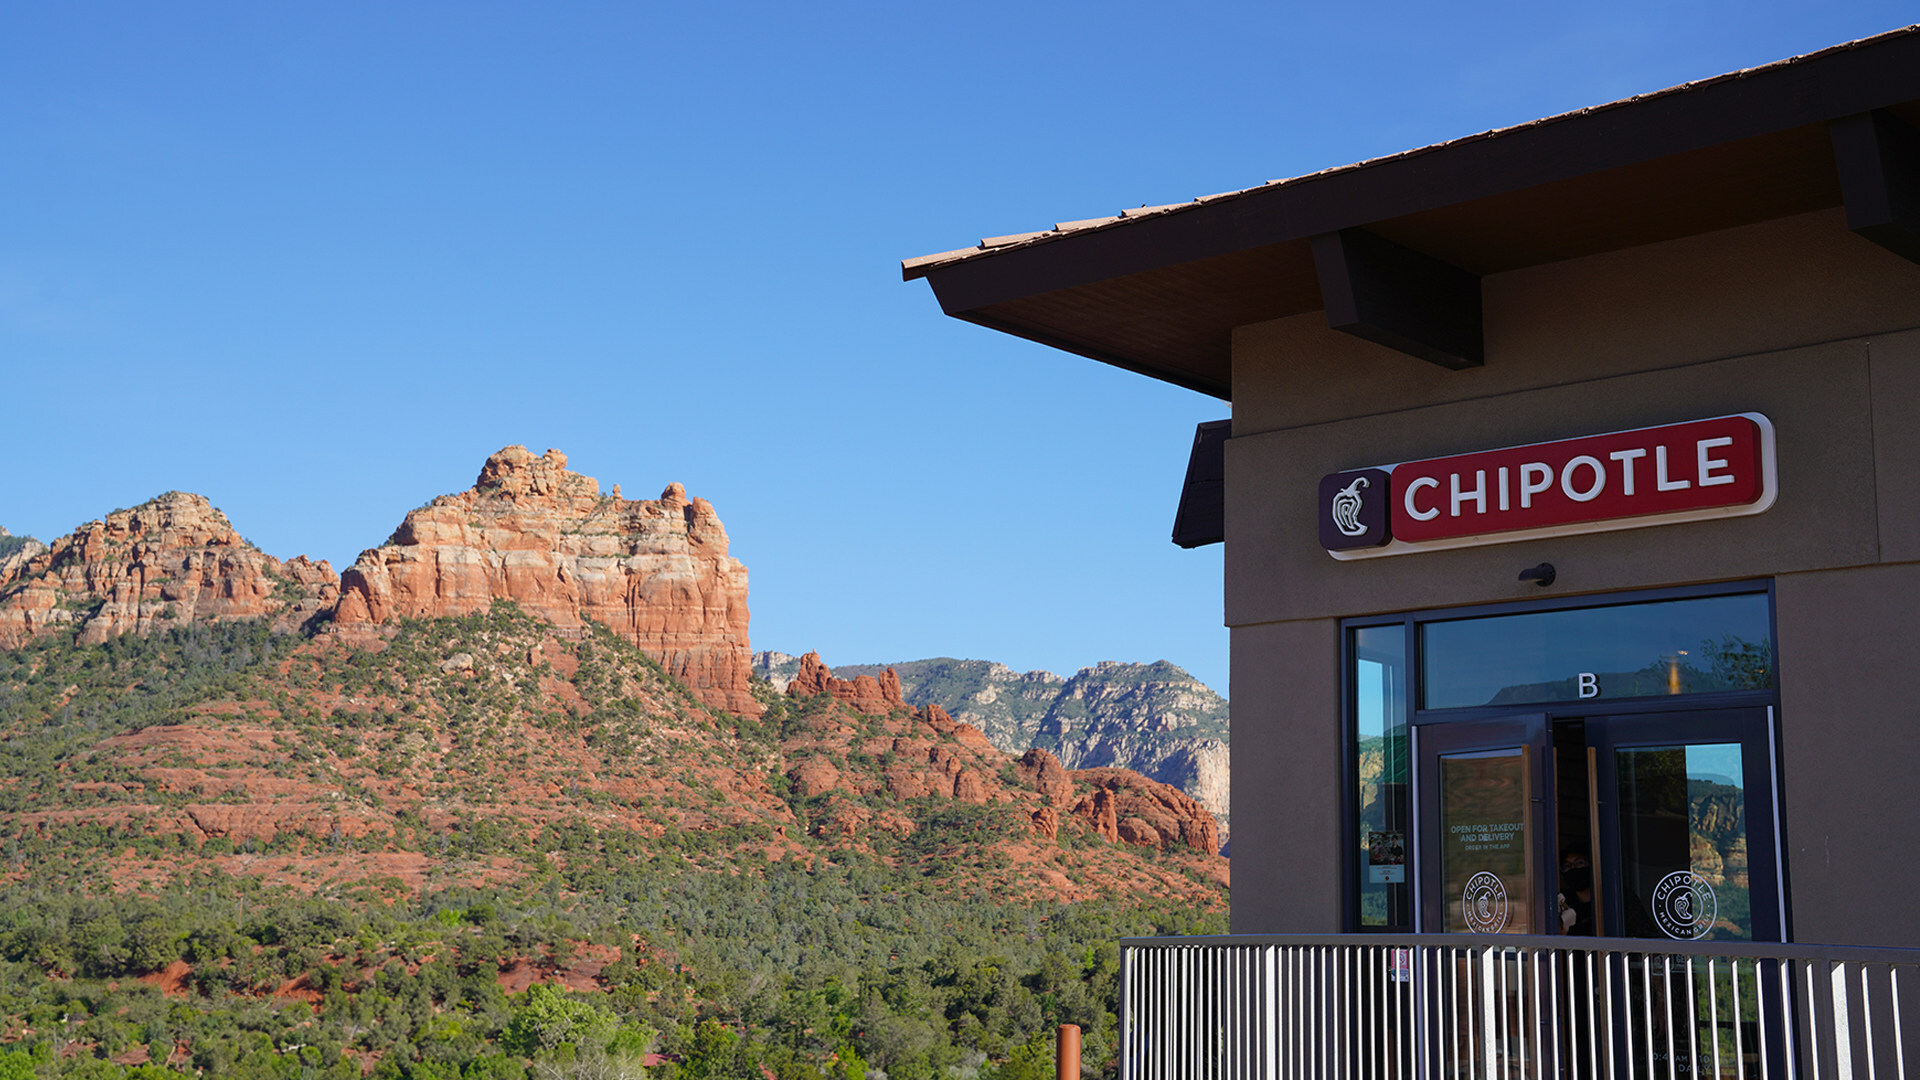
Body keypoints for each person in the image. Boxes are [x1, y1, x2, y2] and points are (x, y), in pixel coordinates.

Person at [1559, 846, 1596, 935]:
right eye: (1567, 866)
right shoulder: (1563, 902)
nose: (1573, 868)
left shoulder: (1614, 898)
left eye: (1579, 863)